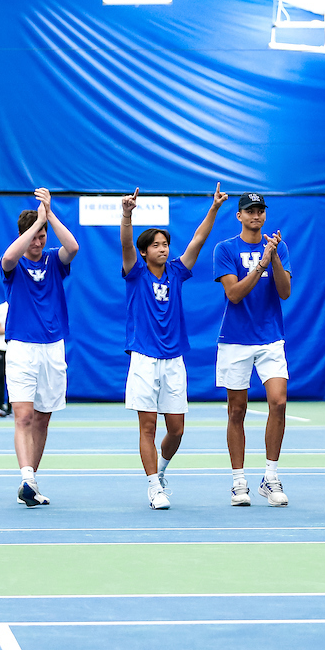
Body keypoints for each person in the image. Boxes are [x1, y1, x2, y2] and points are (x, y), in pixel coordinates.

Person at [121, 185, 228, 509]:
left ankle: (162, 470)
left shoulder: (177, 273)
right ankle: (154, 487)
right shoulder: (135, 272)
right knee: (148, 425)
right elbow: (126, 242)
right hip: (143, 358)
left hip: (173, 359)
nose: (163, 249)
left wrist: (214, 208)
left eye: (166, 244)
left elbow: (197, 240)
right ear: (144, 252)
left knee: (177, 430)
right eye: (156, 245)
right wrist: (127, 215)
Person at [0, 188, 79, 507]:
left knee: (43, 418)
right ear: (24, 235)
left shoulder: (54, 261)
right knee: (23, 416)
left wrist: (50, 213)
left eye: (43, 235)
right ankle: (26, 477)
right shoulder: (13, 264)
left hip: (53, 348)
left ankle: (31, 483)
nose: (39, 241)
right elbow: (7, 257)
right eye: (34, 236)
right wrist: (35, 223)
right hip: (21, 347)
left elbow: (72, 247)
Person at [213, 192, 293, 507]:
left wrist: (272, 257)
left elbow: (285, 292)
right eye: (250, 211)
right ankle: (238, 481)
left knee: (279, 402)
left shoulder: (279, 248)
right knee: (237, 410)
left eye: (260, 211)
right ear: (239, 216)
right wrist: (260, 264)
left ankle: (270, 478)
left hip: (271, 338)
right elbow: (234, 294)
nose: (256, 216)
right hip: (235, 340)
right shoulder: (225, 249)